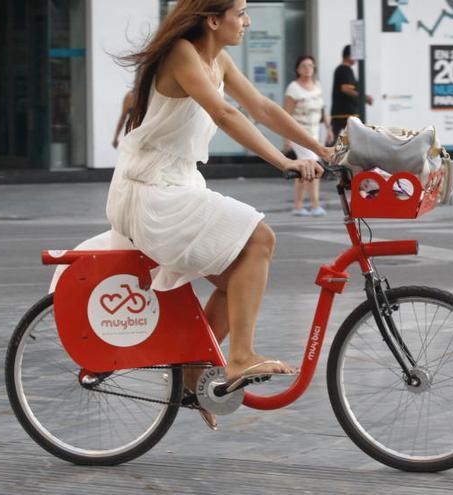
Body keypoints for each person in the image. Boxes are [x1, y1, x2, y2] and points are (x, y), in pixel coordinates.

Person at [110, 0, 327, 429]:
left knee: (238, 278)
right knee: (260, 239)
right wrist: (282, 162)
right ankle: (240, 357)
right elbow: (225, 113)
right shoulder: (182, 54)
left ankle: (193, 368)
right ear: (213, 20)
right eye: (241, 13)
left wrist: (323, 149)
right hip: (151, 192)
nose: (247, 21)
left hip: (178, 185)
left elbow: (262, 108)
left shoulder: (218, 59)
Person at [284, 55, 332, 217]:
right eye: (304, 66)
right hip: (299, 134)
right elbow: (287, 115)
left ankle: (298, 205)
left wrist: (328, 128)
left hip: (314, 134)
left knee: (303, 169)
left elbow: (322, 109)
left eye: (310, 66)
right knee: (313, 165)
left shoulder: (317, 86)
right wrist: (288, 138)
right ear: (298, 69)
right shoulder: (293, 88)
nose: (308, 69)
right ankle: (315, 204)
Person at [330, 45, 372, 140]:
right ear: (349, 56)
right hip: (346, 113)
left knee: (336, 139)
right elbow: (346, 89)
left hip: (342, 113)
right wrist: (364, 98)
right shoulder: (345, 69)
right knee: (356, 140)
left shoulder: (343, 69)